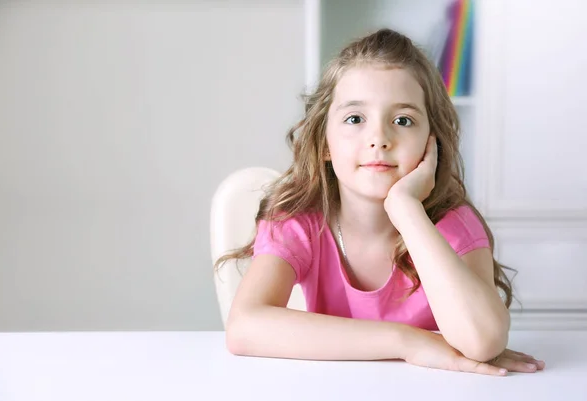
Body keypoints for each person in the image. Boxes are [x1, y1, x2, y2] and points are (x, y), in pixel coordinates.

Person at [214, 28, 545, 376]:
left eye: (403, 120)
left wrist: (407, 210)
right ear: (324, 143)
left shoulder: (452, 223)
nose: (379, 139)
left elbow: (483, 342)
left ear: (431, 143)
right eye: (355, 119)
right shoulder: (299, 222)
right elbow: (244, 327)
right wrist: (406, 342)